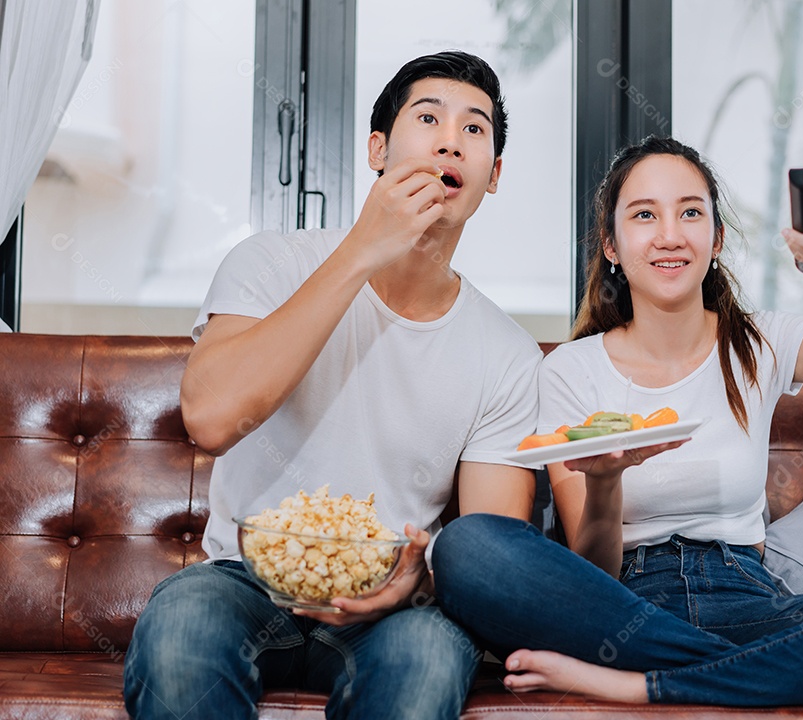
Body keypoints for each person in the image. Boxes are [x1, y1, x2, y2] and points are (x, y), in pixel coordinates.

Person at [432, 136, 803, 706]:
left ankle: (649, 682)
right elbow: (594, 571)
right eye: (643, 215)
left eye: (690, 212)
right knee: (468, 547)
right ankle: (740, 674)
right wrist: (605, 481)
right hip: (618, 609)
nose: (669, 234)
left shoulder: (761, 343)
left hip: (751, 606)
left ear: (716, 240)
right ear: (611, 244)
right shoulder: (570, 371)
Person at [123, 51, 542, 720]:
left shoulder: (508, 354)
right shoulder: (270, 262)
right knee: (181, 637)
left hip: (393, 608)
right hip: (244, 582)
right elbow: (211, 418)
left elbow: (490, 549)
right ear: (378, 149)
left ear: (492, 176)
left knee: (426, 663)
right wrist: (362, 252)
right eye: (428, 117)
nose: (448, 140)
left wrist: (417, 582)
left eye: (474, 129)